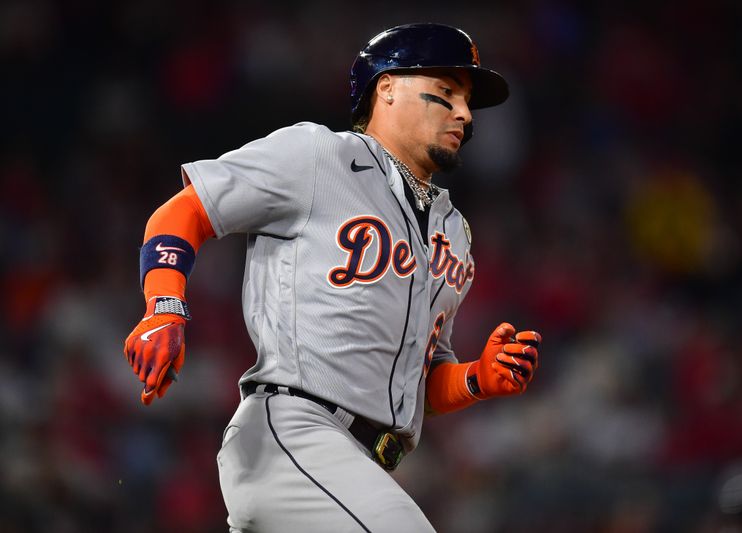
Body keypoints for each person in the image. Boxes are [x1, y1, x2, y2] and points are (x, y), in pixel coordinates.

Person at [123, 23, 542, 532]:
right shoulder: (319, 156)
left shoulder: (454, 231)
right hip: (295, 434)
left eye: (467, 100)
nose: (464, 113)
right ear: (387, 88)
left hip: (362, 468)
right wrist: (163, 306)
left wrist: (476, 379)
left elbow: (419, 381)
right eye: (447, 92)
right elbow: (185, 212)